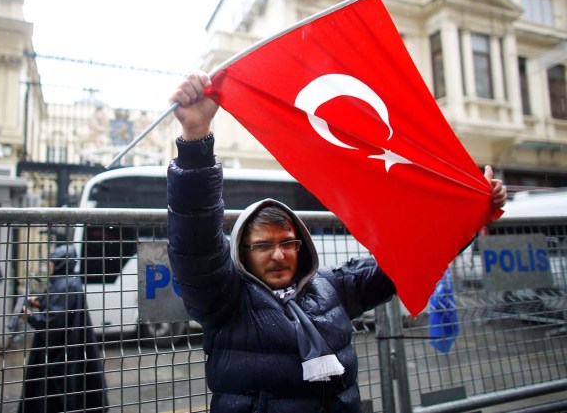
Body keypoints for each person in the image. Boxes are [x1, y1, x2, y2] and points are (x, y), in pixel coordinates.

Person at [166, 71, 507, 412]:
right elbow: (197, 241)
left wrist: (469, 214)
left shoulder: (330, 287)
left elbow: (410, 258)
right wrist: (196, 137)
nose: (279, 254)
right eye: (263, 246)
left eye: (288, 242)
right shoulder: (226, 300)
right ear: (241, 252)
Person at [18, 244, 108, 413]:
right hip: (72, 346)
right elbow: (60, 309)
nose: (49, 266)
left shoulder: (65, 284)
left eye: (52, 262)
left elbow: (53, 321)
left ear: (61, 263)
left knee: (56, 392)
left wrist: (29, 316)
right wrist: (41, 302)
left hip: (61, 353)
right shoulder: (69, 280)